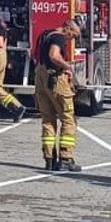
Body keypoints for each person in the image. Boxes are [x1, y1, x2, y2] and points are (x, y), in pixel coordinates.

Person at [33, 21, 81, 172]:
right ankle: (66, 158)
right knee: (69, 119)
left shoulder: (46, 34)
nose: (71, 39)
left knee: (48, 119)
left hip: (41, 77)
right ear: (68, 28)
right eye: (73, 35)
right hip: (55, 80)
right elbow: (53, 55)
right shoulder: (59, 38)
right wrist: (67, 67)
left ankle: (49, 159)